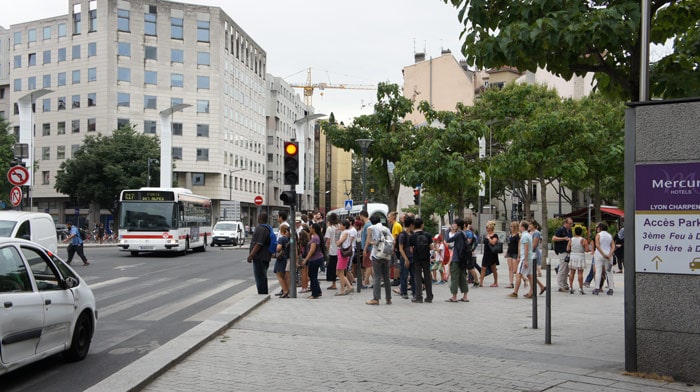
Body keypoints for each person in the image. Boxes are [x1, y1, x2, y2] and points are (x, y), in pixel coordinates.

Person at [510, 221, 545, 298]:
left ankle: (515, 292)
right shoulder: (528, 235)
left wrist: (524, 260)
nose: (518, 227)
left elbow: (526, 248)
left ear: (522, 227)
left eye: (519, 226)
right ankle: (532, 292)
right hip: (530, 257)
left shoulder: (525, 236)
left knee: (518, 274)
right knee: (530, 275)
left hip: (525, 258)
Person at [365, 215, 393, 305]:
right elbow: (392, 240)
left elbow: (368, 240)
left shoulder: (371, 228)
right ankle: (388, 299)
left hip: (377, 255)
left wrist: (366, 248)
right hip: (386, 255)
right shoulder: (386, 229)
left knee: (377, 277)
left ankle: (376, 299)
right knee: (386, 277)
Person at [444, 218, 471, 303]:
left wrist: (447, 231)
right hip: (462, 258)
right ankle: (465, 296)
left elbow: (448, 240)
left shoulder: (458, 234)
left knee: (455, 277)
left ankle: (454, 296)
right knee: (462, 277)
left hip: (457, 258)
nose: (452, 225)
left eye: (454, 224)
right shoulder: (464, 233)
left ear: (457, 225)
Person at [247, 212, 272, 294]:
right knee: (262, 276)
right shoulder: (267, 228)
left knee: (260, 277)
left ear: (260, 219)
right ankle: (263, 293)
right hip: (264, 256)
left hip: (260, 257)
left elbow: (259, 244)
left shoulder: (261, 229)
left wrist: (251, 255)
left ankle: (262, 294)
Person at [409, 218, 433, 303]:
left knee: (417, 277)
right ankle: (429, 296)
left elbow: (411, 250)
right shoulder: (428, 235)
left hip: (417, 259)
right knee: (427, 276)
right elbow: (431, 247)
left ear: (414, 226)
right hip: (426, 258)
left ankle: (419, 297)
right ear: (422, 225)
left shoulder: (412, 236)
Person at [301, 223, 325, 299]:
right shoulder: (315, 237)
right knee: (313, 275)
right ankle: (318, 291)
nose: (309, 229)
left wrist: (306, 260)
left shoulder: (315, 238)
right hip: (317, 258)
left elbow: (312, 250)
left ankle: (315, 294)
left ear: (314, 229)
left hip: (315, 259)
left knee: (312, 276)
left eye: (311, 228)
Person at [593, 222, 615, 295]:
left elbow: (597, 246)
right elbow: (613, 246)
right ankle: (611, 289)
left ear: (600, 228)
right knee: (609, 271)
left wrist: (603, 254)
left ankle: (597, 288)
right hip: (609, 256)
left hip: (599, 255)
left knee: (598, 271)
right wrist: (609, 254)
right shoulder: (610, 236)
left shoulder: (598, 235)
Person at [395, 214, 414, 300]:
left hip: (412, 257)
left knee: (413, 275)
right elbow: (400, 248)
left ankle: (415, 292)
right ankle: (403, 292)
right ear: (410, 225)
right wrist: (406, 259)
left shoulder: (412, 234)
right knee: (404, 275)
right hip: (405, 257)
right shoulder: (402, 235)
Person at [552, 218, 573, 292]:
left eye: (571, 224)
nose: (571, 225)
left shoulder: (569, 231)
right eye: (570, 223)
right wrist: (563, 238)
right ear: (566, 223)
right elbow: (554, 238)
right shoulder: (561, 230)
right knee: (562, 269)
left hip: (568, 251)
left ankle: (565, 283)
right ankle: (560, 285)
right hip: (562, 250)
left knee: (567, 269)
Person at [334, 219, 355, 295]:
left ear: (344, 226)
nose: (339, 226)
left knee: (341, 272)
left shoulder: (345, 233)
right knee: (338, 272)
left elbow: (339, 243)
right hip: (341, 253)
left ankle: (343, 289)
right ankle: (348, 286)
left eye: (341, 225)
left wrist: (337, 242)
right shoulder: (344, 232)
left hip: (343, 254)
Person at [567, 226, 588, 295]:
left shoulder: (571, 239)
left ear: (575, 232)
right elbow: (587, 250)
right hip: (580, 256)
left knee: (572, 272)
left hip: (573, 255)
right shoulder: (583, 240)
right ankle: (581, 288)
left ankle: (571, 287)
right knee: (580, 273)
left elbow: (568, 248)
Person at [479, 220, 500, 287]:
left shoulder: (495, 235)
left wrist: (489, 238)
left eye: (487, 227)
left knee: (493, 268)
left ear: (490, 228)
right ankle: (481, 282)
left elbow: (493, 242)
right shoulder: (486, 235)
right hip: (486, 253)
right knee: (483, 267)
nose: (486, 229)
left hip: (492, 254)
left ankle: (495, 282)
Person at [324, 213, 340, 290]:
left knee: (332, 267)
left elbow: (328, 240)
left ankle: (333, 284)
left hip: (332, 249)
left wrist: (327, 250)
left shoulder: (329, 228)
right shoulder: (339, 227)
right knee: (339, 267)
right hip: (339, 249)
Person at [273, 225, 291, 298]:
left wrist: (276, 248)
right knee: (285, 275)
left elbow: (278, 248)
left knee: (279, 274)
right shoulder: (289, 239)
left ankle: (285, 291)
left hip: (281, 258)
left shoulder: (281, 239)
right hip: (287, 258)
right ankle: (287, 291)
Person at [359, 210, 374, 289]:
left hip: (367, 247)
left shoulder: (367, 225)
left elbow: (368, 238)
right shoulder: (368, 224)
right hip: (369, 247)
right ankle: (375, 281)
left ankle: (365, 282)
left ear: (362, 216)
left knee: (367, 265)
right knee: (370, 265)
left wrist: (365, 248)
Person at [505, 221, 520, 289]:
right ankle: (511, 283)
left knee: (515, 269)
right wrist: (507, 252)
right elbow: (509, 244)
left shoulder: (518, 235)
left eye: (511, 226)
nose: (510, 228)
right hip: (510, 252)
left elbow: (519, 245)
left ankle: (524, 279)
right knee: (510, 268)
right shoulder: (511, 235)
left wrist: (519, 255)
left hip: (515, 253)